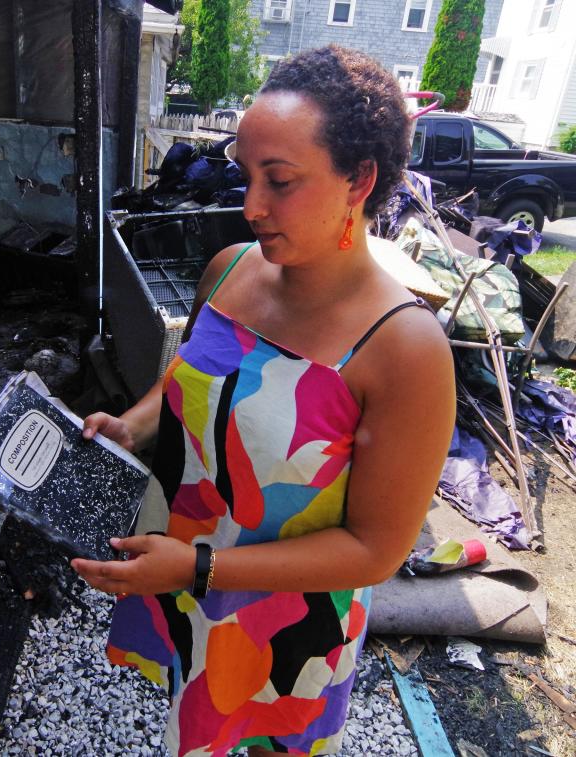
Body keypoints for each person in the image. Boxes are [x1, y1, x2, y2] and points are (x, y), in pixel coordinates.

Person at [71, 45, 455, 756]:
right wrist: (134, 423)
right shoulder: (230, 270)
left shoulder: (405, 350)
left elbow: (374, 549)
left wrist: (199, 567)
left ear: (359, 180)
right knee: (190, 719)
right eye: (246, 176)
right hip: (184, 577)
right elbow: (193, 373)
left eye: (280, 181)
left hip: (285, 631)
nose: (250, 206)